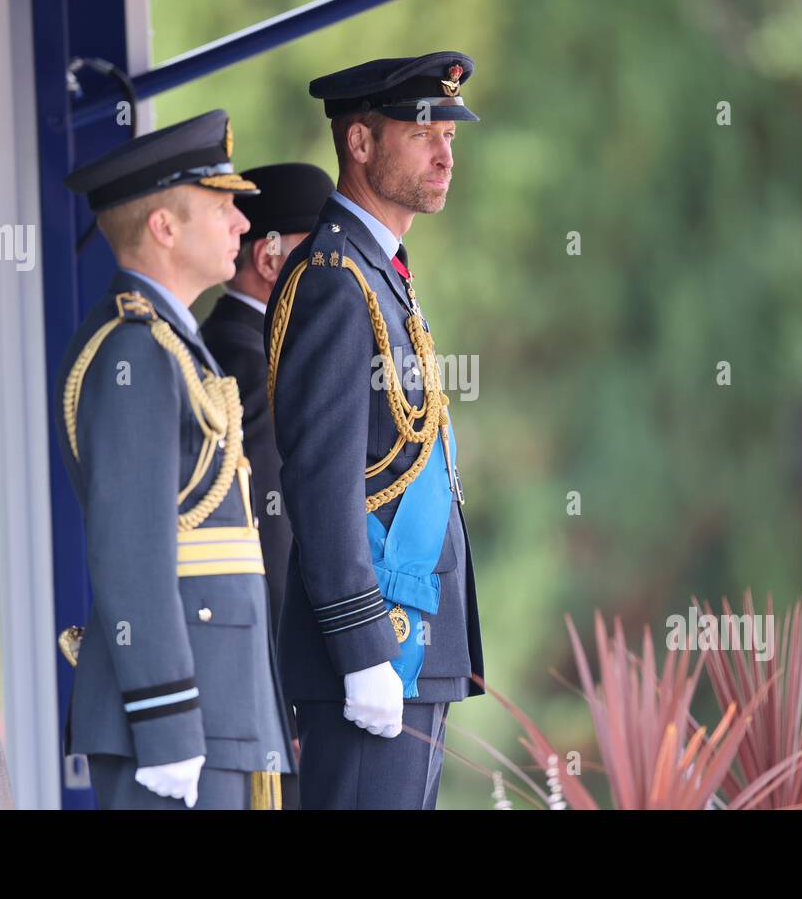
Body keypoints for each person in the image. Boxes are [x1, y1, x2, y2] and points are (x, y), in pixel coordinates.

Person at [263, 52, 486, 809]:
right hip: (376, 647)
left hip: (413, 639)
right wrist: (363, 652)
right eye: (424, 131)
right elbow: (319, 479)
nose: (445, 153)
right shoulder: (333, 276)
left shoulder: (378, 270)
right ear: (359, 144)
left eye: (450, 135)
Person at [54, 109, 295, 809]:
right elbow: (131, 549)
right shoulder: (135, 350)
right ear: (163, 227)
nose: (243, 226)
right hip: (177, 719)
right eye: (223, 207)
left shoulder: (168, 345)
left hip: (218, 707)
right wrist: (166, 720)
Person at [200, 162, 334, 810]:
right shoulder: (247, 359)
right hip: (267, 692)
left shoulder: (247, 348)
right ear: (269, 257)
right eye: (321, 260)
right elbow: (269, 540)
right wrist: (294, 695)